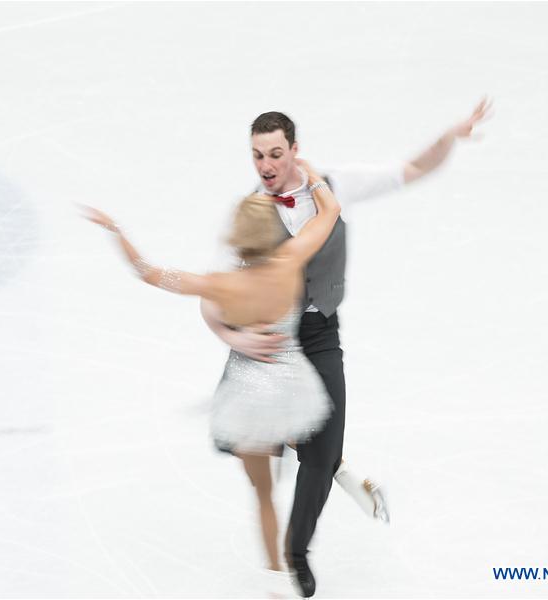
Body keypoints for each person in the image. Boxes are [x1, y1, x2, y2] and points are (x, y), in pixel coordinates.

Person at [200, 100, 491, 597]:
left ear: (295, 149)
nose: (266, 165)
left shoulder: (336, 185)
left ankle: (296, 552)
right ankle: (297, 525)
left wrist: (449, 136)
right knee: (263, 458)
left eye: (275, 153)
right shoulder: (249, 214)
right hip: (270, 341)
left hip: (319, 333)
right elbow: (210, 297)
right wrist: (234, 336)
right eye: (257, 155)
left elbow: (413, 168)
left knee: (322, 449)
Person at [83, 159, 351, 577]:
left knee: (263, 494)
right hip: (291, 388)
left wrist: (116, 231)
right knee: (308, 438)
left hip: (248, 400)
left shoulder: (222, 284)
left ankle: (275, 575)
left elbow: (148, 273)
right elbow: (330, 211)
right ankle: (328, 461)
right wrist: (311, 176)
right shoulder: (291, 260)